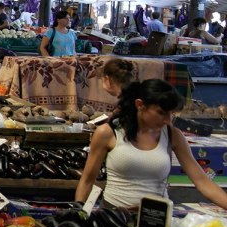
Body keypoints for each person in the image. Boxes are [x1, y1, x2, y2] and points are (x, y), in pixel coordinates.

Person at [77, 79, 227, 210]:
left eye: (171, 114)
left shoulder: (173, 135)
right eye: (161, 113)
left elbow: (202, 181)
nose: (168, 120)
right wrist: (78, 213)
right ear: (140, 105)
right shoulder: (108, 133)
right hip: (115, 217)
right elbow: (87, 180)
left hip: (157, 219)